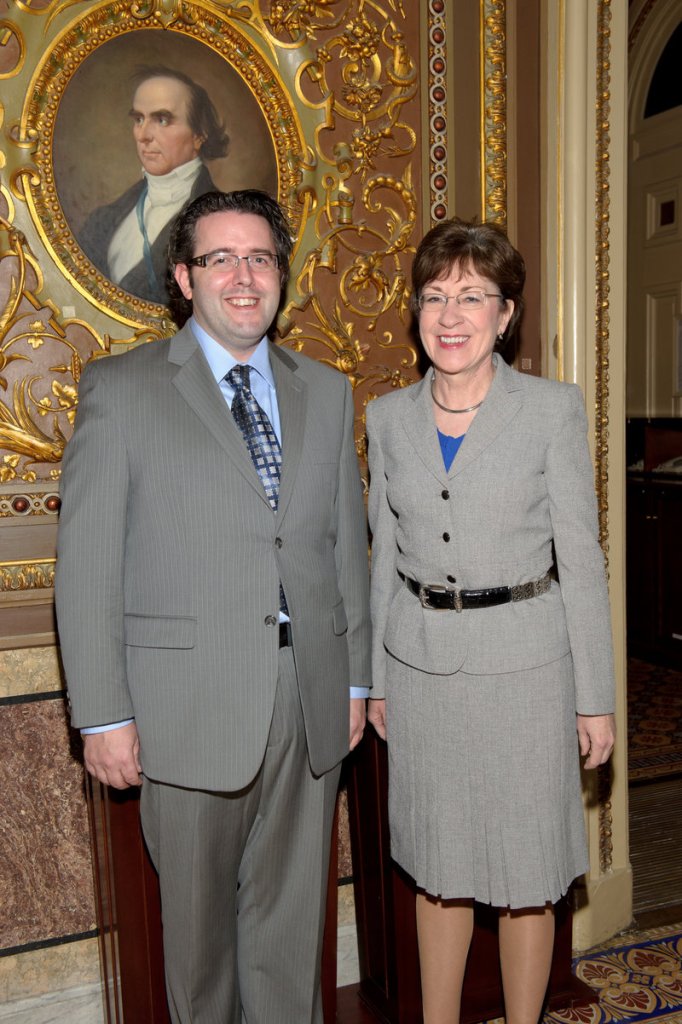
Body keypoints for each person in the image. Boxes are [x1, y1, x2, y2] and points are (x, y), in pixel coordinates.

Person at [56, 189, 372, 1024]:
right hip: (181, 714)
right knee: (197, 947)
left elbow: (346, 548)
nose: (244, 276)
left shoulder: (327, 391)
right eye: (220, 258)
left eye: (261, 257)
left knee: (290, 929)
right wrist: (101, 715)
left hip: (308, 702)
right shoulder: (121, 391)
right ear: (184, 279)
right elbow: (86, 568)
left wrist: (354, 683)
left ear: (281, 276)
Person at [366, 218, 616, 1024]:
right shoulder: (385, 418)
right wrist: (374, 678)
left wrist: (595, 697)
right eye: (435, 295)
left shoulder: (551, 411)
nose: (451, 314)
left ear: (506, 315)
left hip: (527, 673)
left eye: (473, 296)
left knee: (526, 877)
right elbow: (381, 560)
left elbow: (581, 559)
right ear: (415, 310)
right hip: (422, 673)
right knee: (438, 869)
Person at [79, 66, 228, 304]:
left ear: (199, 134)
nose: (143, 135)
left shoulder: (225, 222)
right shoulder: (104, 219)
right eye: (138, 119)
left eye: (161, 119)